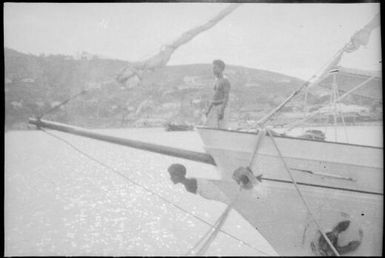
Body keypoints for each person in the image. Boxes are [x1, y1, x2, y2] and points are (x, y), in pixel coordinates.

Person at [167, 163, 233, 204]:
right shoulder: (190, 183)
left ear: (178, 175)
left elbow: (213, 193)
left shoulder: (190, 184)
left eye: (172, 175)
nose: (170, 178)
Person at [205, 59, 231, 129]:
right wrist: (208, 109)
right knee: (209, 128)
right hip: (214, 106)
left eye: (215, 68)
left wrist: (222, 111)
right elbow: (214, 96)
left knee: (222, 129)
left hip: (222, 106)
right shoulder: (216, 80)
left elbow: (226, 97)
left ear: (221, 68)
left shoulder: (225, 80)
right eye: (213, 68)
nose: (213, 70)